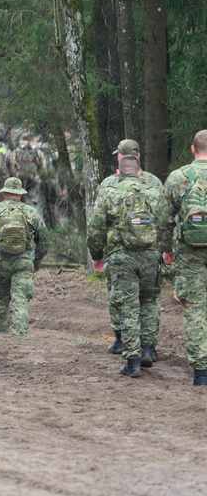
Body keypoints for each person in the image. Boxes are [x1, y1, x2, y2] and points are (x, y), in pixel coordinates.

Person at [87, 156, 161, 377]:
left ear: (118, 173)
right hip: (151, 255)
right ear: (140, 173)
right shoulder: (155, 191)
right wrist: (167, 251)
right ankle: (148, 348)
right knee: (149, 301)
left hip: (122, 256)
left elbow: (96, 228)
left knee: (128, 305)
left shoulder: (109, 192)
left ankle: (133, 362)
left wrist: (97, 255)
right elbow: (169, 222)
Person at [157, 129, 207, 386]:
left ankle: (201, 373)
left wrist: (167, 249)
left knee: (196, 308)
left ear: (192, 149)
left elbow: (164, 219)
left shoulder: (178, 177)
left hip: (190, 253)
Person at [0, 177, 49, 336]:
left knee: (0, 298)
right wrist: (36, 261)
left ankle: (1, 336)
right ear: (20, 194)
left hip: (0, 262)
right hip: (24, 261)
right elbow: (44, 240)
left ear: (5, 193)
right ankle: (20, 336)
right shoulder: (30, 212)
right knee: (20, 299)